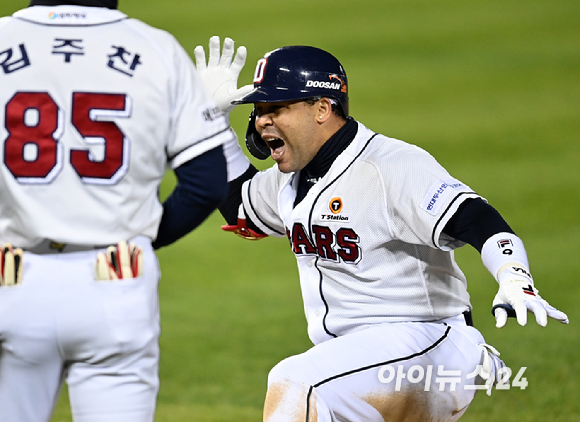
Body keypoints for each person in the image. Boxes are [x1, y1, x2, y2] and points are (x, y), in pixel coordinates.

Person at [194, 39, 569, 421]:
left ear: (322, 108)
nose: (261, 121)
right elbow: (239, 206)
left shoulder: (390, 166)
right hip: (364, 359)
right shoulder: (288, 181)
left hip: (432, 348)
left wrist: (513, 275)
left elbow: (476, 218)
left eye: (277, 108)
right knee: (314, 388)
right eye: (259, 110)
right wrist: (210, 123)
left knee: (297, 382)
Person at [0, 1, 245, 421]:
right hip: (117, 282)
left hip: (10, 283)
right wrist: (141, 240)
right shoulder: (154, 48)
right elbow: (205, 185)